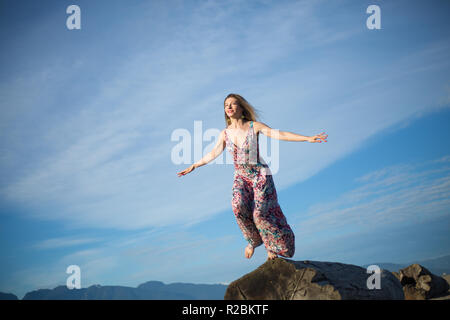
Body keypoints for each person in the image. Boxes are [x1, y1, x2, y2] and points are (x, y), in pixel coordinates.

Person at [177, 93, 327, 260]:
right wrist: (195, 165)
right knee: (237, 206)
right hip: (241, 177)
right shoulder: (225, 134)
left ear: (241, 108)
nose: (229, 107)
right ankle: (254, 241)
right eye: (226, 105)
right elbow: (213, 153)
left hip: (260, 175)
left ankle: (272, 248)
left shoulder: (253, 127)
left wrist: (307, 138)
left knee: (260, 214)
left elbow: (280, 134)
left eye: (233, 104)